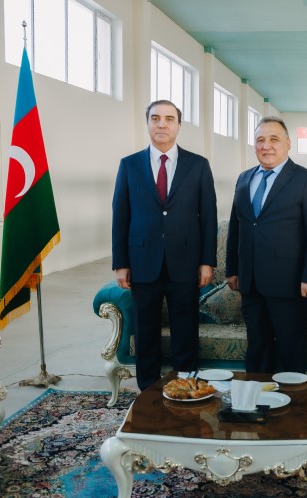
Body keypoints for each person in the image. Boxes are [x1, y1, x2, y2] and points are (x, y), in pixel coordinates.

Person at [112, 100, 218, 391]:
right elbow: (120, 215)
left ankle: (186, 385)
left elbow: (208, 216)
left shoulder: (198, 165)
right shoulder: (129, 165)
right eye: (155, 118)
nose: (162, 124)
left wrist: (207, 261)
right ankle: (148, 389)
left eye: (169, 119)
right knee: (145, 330)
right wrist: (121, 262)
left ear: (178, 125)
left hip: (185, 262)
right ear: (147, 123)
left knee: (185, 329)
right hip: (142, 262)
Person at [225, 117, 307, 374]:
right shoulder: (244, 178)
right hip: (250, 282)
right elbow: (236, 227)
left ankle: (290, 399)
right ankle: (256, 396)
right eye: (260, 140)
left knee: (289, 349)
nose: (267, 146)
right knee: (257, 346)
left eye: (274, 139)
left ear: (288, 143)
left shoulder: (306, 179)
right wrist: (232, 270)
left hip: (289, 283)